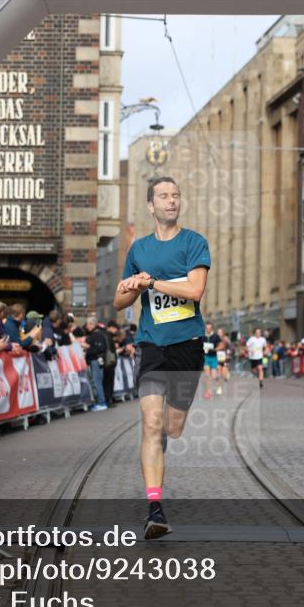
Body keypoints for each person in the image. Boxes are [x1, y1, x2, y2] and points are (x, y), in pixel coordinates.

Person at [113, 176, 210, 539]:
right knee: (151, 424)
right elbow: (119, 301)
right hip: (152, 345)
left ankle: (165, 435)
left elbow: (195, 290)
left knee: (173, 427)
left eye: (176, 195)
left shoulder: (193, 242)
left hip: (188, 344)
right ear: (151, 206)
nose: (171, 201)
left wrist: (151, 283)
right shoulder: (138, 249)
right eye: (164, 196)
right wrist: (131, 286)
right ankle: (155, 509)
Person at [82, 315, 110, 411]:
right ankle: (100, 402)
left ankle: (101, 403)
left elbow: (100, 348)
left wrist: (87, 349)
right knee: (96, 382)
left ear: (92, 324)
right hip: (95, 360)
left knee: (97, 382)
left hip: (96, 361)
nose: (86, 326)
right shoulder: (96, 334)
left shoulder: (97, 335)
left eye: (88, 324)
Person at [201, 321, 222, 399]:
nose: (208, 329)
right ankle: (208, 392)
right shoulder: (203, 336)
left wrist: (216, 349)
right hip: (206, 357)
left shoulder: (216, 336)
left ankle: (219, 384)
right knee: (207, 375)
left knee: (214, 376)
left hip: (213, 357)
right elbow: (200, 345)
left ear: (212, 328)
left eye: (209, 328)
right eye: (207, 328)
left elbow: (221, 345)